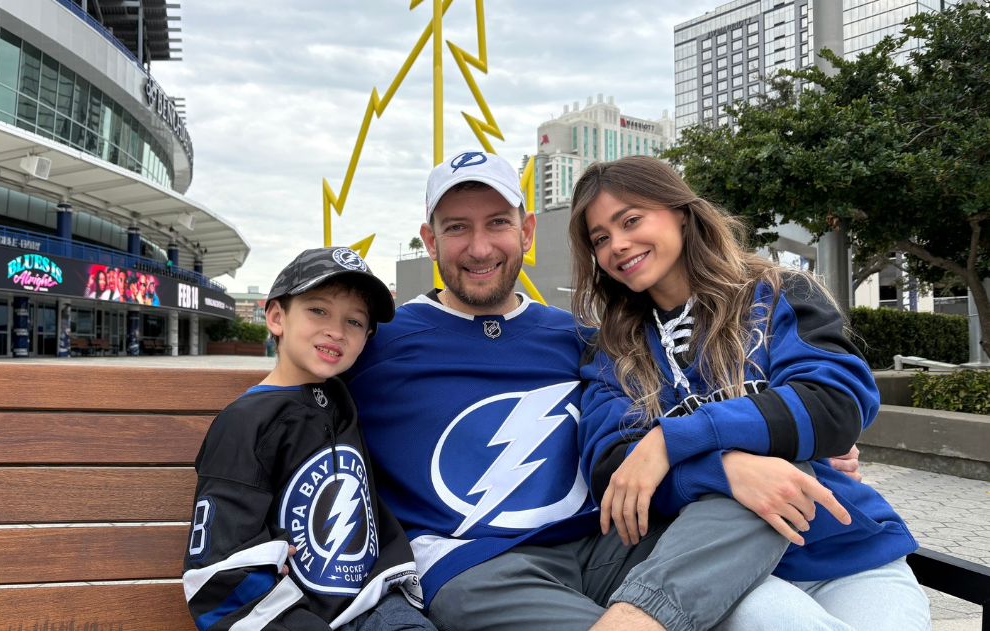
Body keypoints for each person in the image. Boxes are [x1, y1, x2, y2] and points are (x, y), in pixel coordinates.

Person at [347, 151, 811, 631]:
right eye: (457, 227)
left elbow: (682, 403)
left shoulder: (586, 337)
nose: (480, 248)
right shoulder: (377, 343)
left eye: (498, 224)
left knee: (757, 486)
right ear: (430, 240)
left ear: (526, 232)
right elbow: (290, 408)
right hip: (478, 565)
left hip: (611, 539)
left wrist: (772, 446)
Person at [568, 156, 929, 630]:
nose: (618, 244)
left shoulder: (776, 292)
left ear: (681, 210)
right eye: (600, 238)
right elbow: (614, 469)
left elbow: (836, 403)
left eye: (631, 220)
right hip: (731, 570)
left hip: (850, 550)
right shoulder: (611, 349)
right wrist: (727, 470)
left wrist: (671, 440)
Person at [183, 247, 434, 631]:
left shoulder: (343, 400)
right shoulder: (244, 423)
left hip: (376, 604)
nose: (336, 330)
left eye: (354, 321)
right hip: (290, 614)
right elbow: (219, 572)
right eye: (318, 310)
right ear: (276, 316)